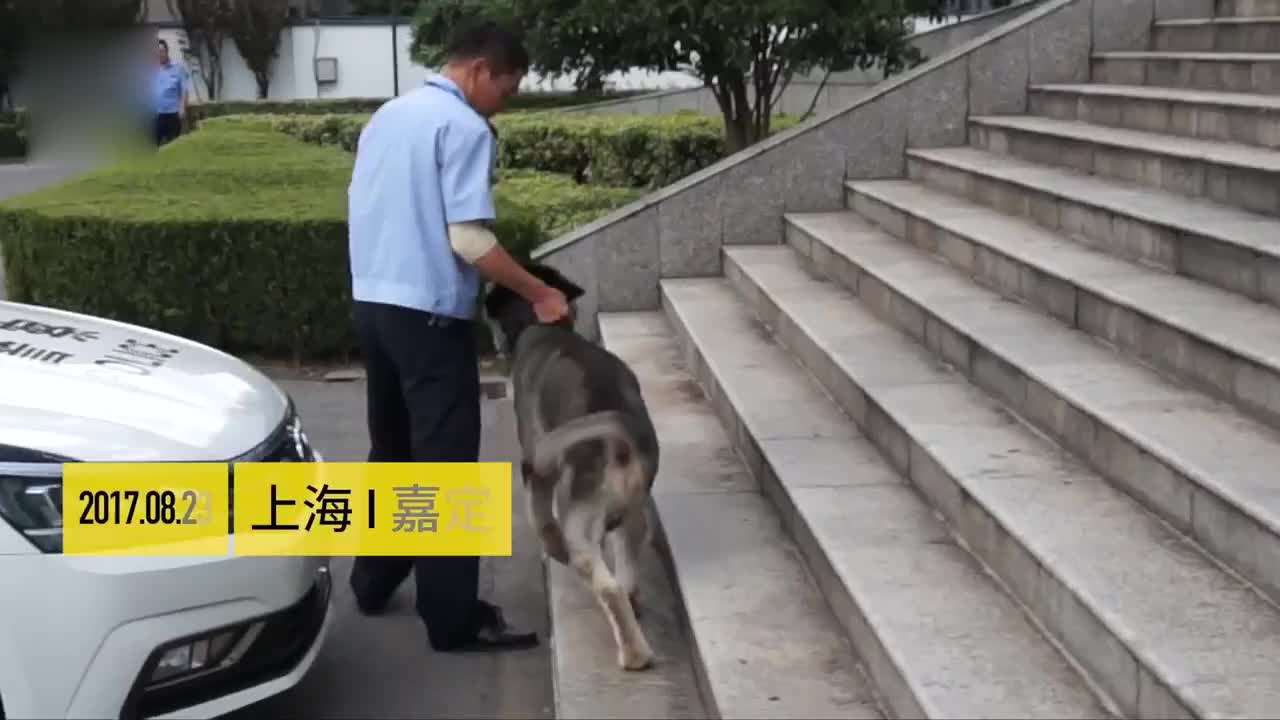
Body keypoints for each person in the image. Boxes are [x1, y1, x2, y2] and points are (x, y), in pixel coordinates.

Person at [345, 20, 570, 653]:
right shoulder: (464, 128)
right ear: (479, 72)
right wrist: (540, 293)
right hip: (428, 315)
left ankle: (372, 580)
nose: (506, 102)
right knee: (445, 468)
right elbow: (469, 240)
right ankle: (453, 619)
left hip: (374, 304)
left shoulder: (389, 115)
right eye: (508, 88)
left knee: (393, 449)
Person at [151, 39, 187, 147]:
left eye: (161, 51)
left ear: (167, 51)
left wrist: (182, 108)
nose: (159, 54)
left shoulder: (178, 69)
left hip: (173, 115)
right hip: (156, 115)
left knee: (172, 147)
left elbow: (184, 90)